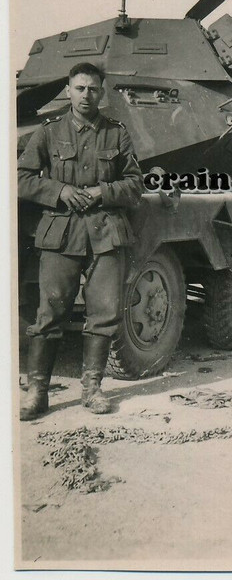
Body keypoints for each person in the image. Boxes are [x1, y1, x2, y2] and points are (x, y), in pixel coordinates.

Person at [18, 62, 144, 420]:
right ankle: (37, 392)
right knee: (49, 313)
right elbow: (20, 178)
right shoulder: (48, 133)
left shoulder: (116, 133)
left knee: (103, 315)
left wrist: (100, 192)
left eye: (93, 89)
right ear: (69, 91)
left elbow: (135, 184)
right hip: (61, 235)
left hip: (105, 235)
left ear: (102, 93)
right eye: (79, 88)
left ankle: (92, 390)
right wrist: (60, 190)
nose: (86, 95)